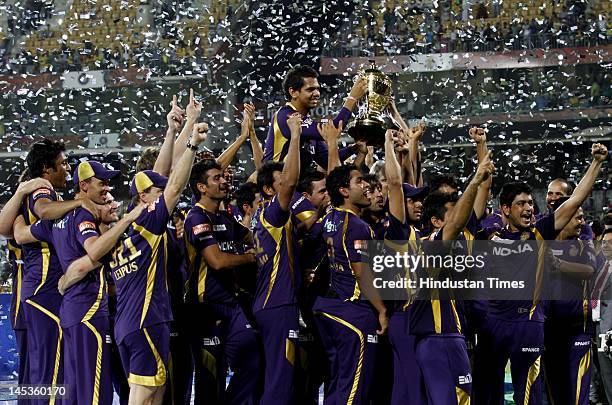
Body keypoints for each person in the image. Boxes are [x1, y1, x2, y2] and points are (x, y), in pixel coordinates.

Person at [472, 143, 608, 405]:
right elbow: (483, 189)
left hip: (528, 324)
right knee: (487, 393)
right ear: (505, 209)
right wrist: (481, 148)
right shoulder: (487, 233)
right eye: (521, 203)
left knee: (529, 394)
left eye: (530, 203)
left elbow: (576, 199)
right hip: (492, 324)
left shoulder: (539, 232)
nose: (529, 208)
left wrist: (596, 163)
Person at [110, 122, 208, 405]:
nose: (165, 195)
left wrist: (176, 129)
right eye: (158, 191)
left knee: (155, 392)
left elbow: (162, 174)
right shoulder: (149, 221)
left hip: (128, 323)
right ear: (143, 196)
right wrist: (191, 143)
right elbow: (174, 184)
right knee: (142, 397)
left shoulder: (126, 226)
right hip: (146, 320)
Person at [184, 159, 261, 404]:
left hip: (231, 304)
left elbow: (254, 237)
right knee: (210, 377)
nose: (224, 180)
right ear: (201, 187)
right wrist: (251, 257)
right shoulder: (196, 218)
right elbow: (216, 261)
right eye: (216, 178)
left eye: (224, 176)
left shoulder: (225, 219)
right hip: (204, 308)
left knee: (253, 359)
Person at [252, 113, 302, 404]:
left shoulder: (264, 216)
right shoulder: (272, 213)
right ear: (270, 190)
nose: (287, 181)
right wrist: (295, 136)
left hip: (271, 303)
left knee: (278, 376)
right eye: (280, 180)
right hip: (277, 303)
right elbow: (291, 183)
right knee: (280, 380)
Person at [262, 65, 367, 170]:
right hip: (275, 183)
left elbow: (326, 160)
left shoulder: (308, 125)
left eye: (317, 89)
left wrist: (354, 148)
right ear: (293, 92)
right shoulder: (286, 116)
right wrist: (352, 98)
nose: (317, 93)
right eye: (310, 89)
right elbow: (333, 129)